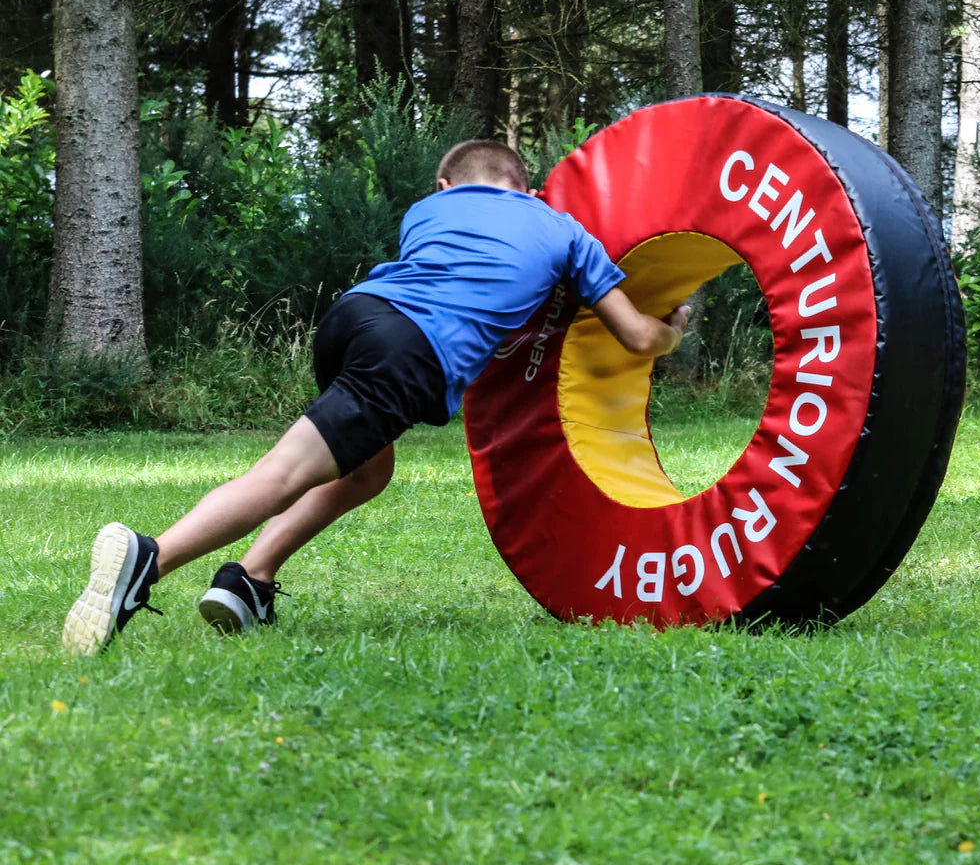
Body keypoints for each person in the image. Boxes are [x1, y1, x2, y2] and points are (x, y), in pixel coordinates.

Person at [61, 139, 691, 655]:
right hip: (412, 351)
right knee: (285, 472)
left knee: (369, 469)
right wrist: (672, 328)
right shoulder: (562, 229)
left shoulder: (425, 212)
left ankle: (249, 579)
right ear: (525, 190)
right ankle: (148, 561)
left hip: (353, 319)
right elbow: (636, 336)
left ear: (445, 187)